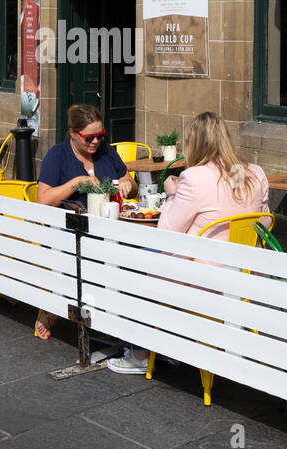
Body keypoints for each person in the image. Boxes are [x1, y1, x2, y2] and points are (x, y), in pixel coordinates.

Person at [107, 112, 270, 374]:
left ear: (194, 143)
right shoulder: (254, 173)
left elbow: (167, 232)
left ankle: (140, 353)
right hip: (244, 273)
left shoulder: (194, 177)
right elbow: (264, 223)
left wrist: (171, 194)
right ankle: (174, 342)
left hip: (201, 276)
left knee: (133, 260)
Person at [34, 104, 137, 338]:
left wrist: (129, 185)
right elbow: (43, 200)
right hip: (69, 233)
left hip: (112, 230)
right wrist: (77, 182)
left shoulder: (107, 152)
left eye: (100, 136)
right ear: (72, 133)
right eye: (89, 137)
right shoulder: (57, 155)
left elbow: (129, 181)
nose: (96, 142)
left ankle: (119, 317)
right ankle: (56, 308)